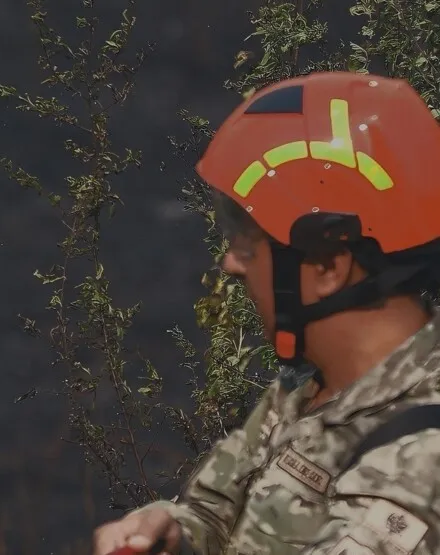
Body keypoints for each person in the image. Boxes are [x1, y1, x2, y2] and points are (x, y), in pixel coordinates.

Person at [92, 71, 440, 555]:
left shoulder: (423, 459)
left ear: (327, 266)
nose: (231, 264)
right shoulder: (315, 383)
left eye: (249, 244)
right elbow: (214, 508)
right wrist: (171, 530)